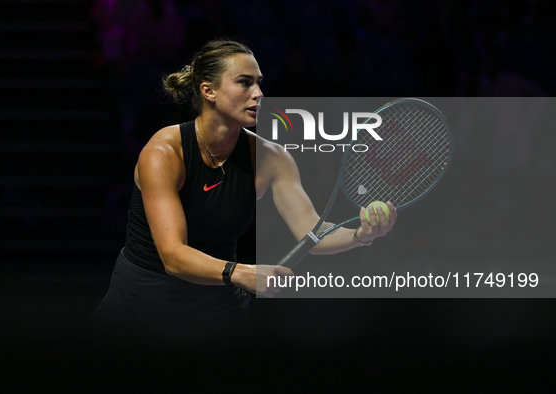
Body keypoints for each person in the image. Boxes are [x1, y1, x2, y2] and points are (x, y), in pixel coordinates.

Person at [90, 40, 397, 345]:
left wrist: (361, 234)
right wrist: (240, 272)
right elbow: (173, 256)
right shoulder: (164, 152)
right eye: (244, 83)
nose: (259, 95)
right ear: (208, 90)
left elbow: (313, 234)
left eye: (259, 84)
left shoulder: (271, 157)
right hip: (140, 305)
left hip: (218, 309)